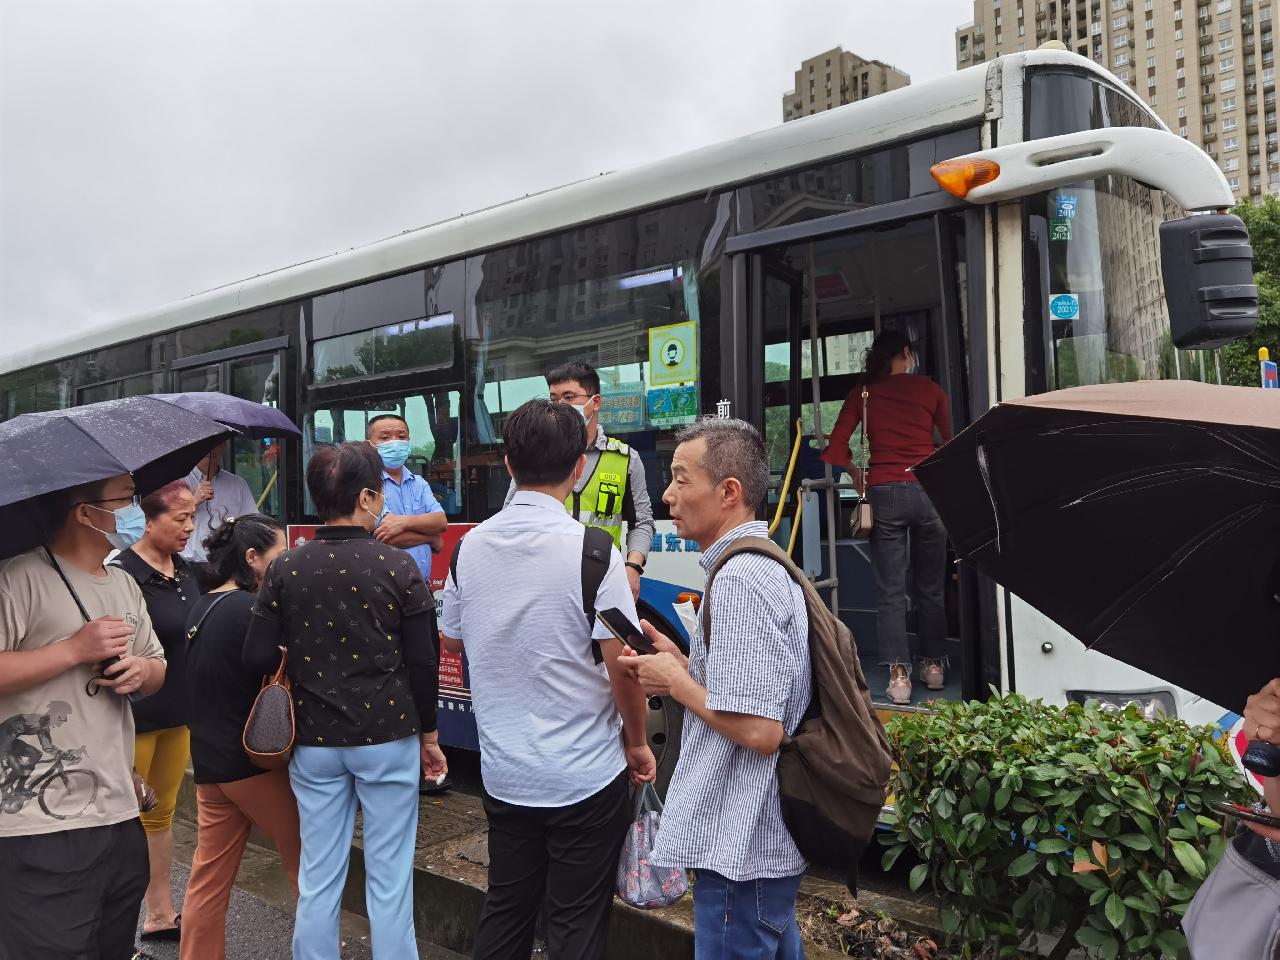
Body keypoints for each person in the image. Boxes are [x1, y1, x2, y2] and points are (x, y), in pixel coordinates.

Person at [441, 398, 656, 960]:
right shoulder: (596, 551)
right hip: (586, 775)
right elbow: (623, 665)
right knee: (575, 924)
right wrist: (637, 743)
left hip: (505, 773)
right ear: (578, 468)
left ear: (508, 464)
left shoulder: (469, 547)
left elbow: (454, 639)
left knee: (507, 908)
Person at [243, 442, 447, 960]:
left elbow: (257, 654)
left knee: (318, 874)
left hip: (313, 740)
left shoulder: (286, 568)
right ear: (366, 498)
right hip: (389, 736)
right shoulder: (399, 567)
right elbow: (424, 662)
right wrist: (429, 735)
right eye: (378, 494)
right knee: (390, 877)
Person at [621, 418, 812, 960]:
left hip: (741, 852)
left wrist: (676, 682)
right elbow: (751, 694)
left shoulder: (741, 581)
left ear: (728, 492)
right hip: (754, 850)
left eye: (681, 479)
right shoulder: (751, 567)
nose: (667, 495)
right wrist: (684, 663)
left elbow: (760, 730)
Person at [0, 472, 167, 960]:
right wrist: (74, 649)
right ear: (85, 512)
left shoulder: (124, 584)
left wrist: (140, 672)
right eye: (127, 499)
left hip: (119, 811)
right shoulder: (18, 578)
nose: (137, 510)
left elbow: (157, 666)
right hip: (37, 822)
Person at [180, 514, 301, 960]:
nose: (287, 562)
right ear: (252, 558)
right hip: (255, 764)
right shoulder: (252, 611)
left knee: (208, 880)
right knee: (309, 871)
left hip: (210, 764)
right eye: (280, 554)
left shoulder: (204, 605)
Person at [820, 330, 953, 705]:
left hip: (884, 493)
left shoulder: (863, 393)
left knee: (891, 592)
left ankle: (899, 678)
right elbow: (951, 441)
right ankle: (934, 668)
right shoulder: (931, 390)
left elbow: (836, 446)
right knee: (930, 588)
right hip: (927, 491)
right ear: (907, 354)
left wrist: (855, 472)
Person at [110, 479, 201, 943]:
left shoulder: (185, 570)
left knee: (160, 815)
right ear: (148, 521)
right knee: (119, 821)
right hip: (132, 718)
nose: (190, 527)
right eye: (180, 518)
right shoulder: (121, 573)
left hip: (178, 715)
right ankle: (111, 928)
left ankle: (161, 914)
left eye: (193, 518)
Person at [504, 361, 655, 600]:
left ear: (595, 402)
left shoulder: (626, 459)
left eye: (569, 397)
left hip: (605, 579)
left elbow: (642, 521)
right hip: (546, 581)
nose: (560, 407)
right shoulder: (537, 453)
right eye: (554, 399)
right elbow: (511, 512)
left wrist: (633, 567)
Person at [366, 413, 448, 572]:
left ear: (409, 441)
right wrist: (431, 538)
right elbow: (385, 537)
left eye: (401, 437)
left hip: (421, 583)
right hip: (386, 584)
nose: (395, 443)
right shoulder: (368, 484)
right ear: (369, 445)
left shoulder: (419, 483)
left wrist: (402, 522)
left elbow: (441, 522)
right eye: (385, 438)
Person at [183, 444, 258, 564]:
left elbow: (252, 523)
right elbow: (169, 519)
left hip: (226, 562)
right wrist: (194, 501)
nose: (212, 449)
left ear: (224, 446)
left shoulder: (237, 484)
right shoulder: (180, 482)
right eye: (207, 442)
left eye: (217, 443)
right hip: (188, 561)